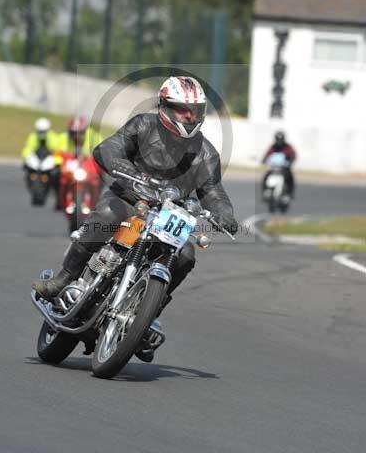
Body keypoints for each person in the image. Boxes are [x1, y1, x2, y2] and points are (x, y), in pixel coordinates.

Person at [32, 76, 238, 360]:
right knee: (107, 215)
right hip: (129, 199)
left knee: (186, 255)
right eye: (183, 109)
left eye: (196, 110)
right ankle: (63, 279)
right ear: (165, 106)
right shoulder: (142, 125)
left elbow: (213, 190)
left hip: (168, 214)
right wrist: (128, 172)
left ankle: (145, 316)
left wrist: (224, 213)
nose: (190, 116)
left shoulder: (206, 153)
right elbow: (109, 148)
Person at [261, 131, 297, 197]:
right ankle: (265, 191)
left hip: (284, 168)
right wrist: (264, 160)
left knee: (290, 177)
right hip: (274, 168)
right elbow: (267, 154)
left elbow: (293, 155)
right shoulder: (273, 147)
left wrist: (290, 162)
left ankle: (289, 193)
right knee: (266, 176)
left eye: (280, 140)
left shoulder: (288, 147)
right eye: (278, 140)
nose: (279, 142)